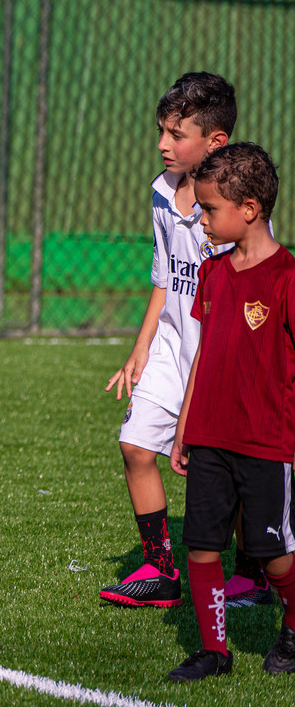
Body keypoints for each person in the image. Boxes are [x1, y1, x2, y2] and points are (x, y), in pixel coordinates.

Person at [100, 73, 269, 608]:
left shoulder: (232, 211)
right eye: (161, 131)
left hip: (222, 356)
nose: (162, 144)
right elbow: (164, 278)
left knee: (228, 467)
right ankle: (160, 567)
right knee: (134, 446)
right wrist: (141, 346)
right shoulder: (161, 192)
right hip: (173, 348)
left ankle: (252, 573)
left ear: (215, 141)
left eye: (176, 134)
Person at [167, 142, 295, 680]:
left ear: (249, 208)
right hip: (209, 435)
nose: (201, 219)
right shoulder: (213, 272)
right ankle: (214, 651)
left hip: (266, 441)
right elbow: (205, 353)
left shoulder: (287, 276)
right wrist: (184, 426)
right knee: (200, 546)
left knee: (271, 554)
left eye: (210, 209)